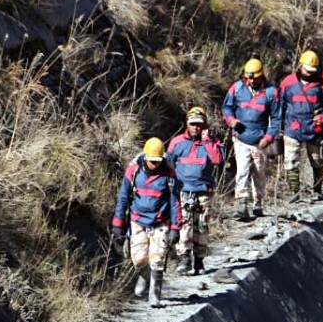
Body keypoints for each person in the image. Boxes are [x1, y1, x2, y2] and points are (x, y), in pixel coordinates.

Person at [111, 137, 182, 307]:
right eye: (151, 161)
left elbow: (175, 202)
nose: (154, 164)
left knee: (157, 258)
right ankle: (145, 277)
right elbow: (123, 198)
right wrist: (118, 223)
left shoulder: (169, 174)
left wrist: (175, 227)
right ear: (145, 157)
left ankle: (155, 295)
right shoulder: (133, 172)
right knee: (139, 259)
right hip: (138, 221)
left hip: (160, 222)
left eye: (157, 161)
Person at [166, 106, 224, 275]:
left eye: (199, 124)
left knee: (202, 226)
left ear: (204, 125)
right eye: (192, 124)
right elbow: (169, 163)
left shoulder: (212, 142)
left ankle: (199, 260)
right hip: (183, 191)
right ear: (187, 123)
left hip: (204, 191)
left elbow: (218, 159)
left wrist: (207, 142)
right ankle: (184, 259)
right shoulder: (177, 142)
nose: (195, 127)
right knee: (185, 224)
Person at [221, 58, 281, 220]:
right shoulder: (237, 88)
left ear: (261, 76)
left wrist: (269, 137)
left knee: (259, 172)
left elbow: (276, 119)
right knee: (242, 170)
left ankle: (258, 202)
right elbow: (226, 108)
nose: (251, 80)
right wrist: (231, 120)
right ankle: (242, 203)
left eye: (254, 78)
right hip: (241, 139)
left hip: (260, 141)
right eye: (248, 77)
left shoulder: (271, 93)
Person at [279, 51, 323, 202]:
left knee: (318, 161)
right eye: (307, 70)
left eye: (313, 71)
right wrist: (279, 125)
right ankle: (294, 192)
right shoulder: (287, 83)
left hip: (316, 129)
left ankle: (317, 189)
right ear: (300, 65)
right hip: (293, 127)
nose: (310, 73)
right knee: (290, 161)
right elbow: (280, 104)